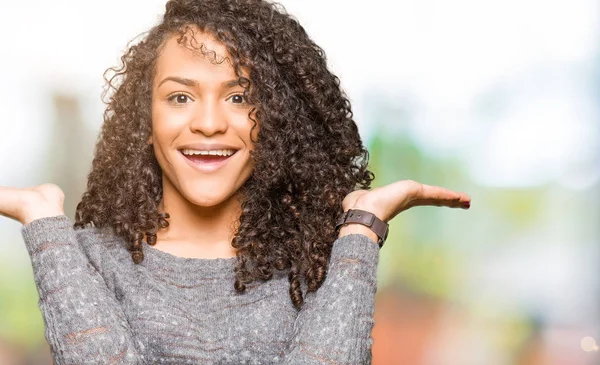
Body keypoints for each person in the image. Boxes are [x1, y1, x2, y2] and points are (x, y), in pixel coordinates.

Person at [0, 0, 471, 363]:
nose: (208, 122)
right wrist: (43, 224)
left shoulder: (321, 261)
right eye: (180, 96)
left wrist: (362, 228)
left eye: (240, 96)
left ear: (277, 120)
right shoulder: (83, 259)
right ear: (144, 119)